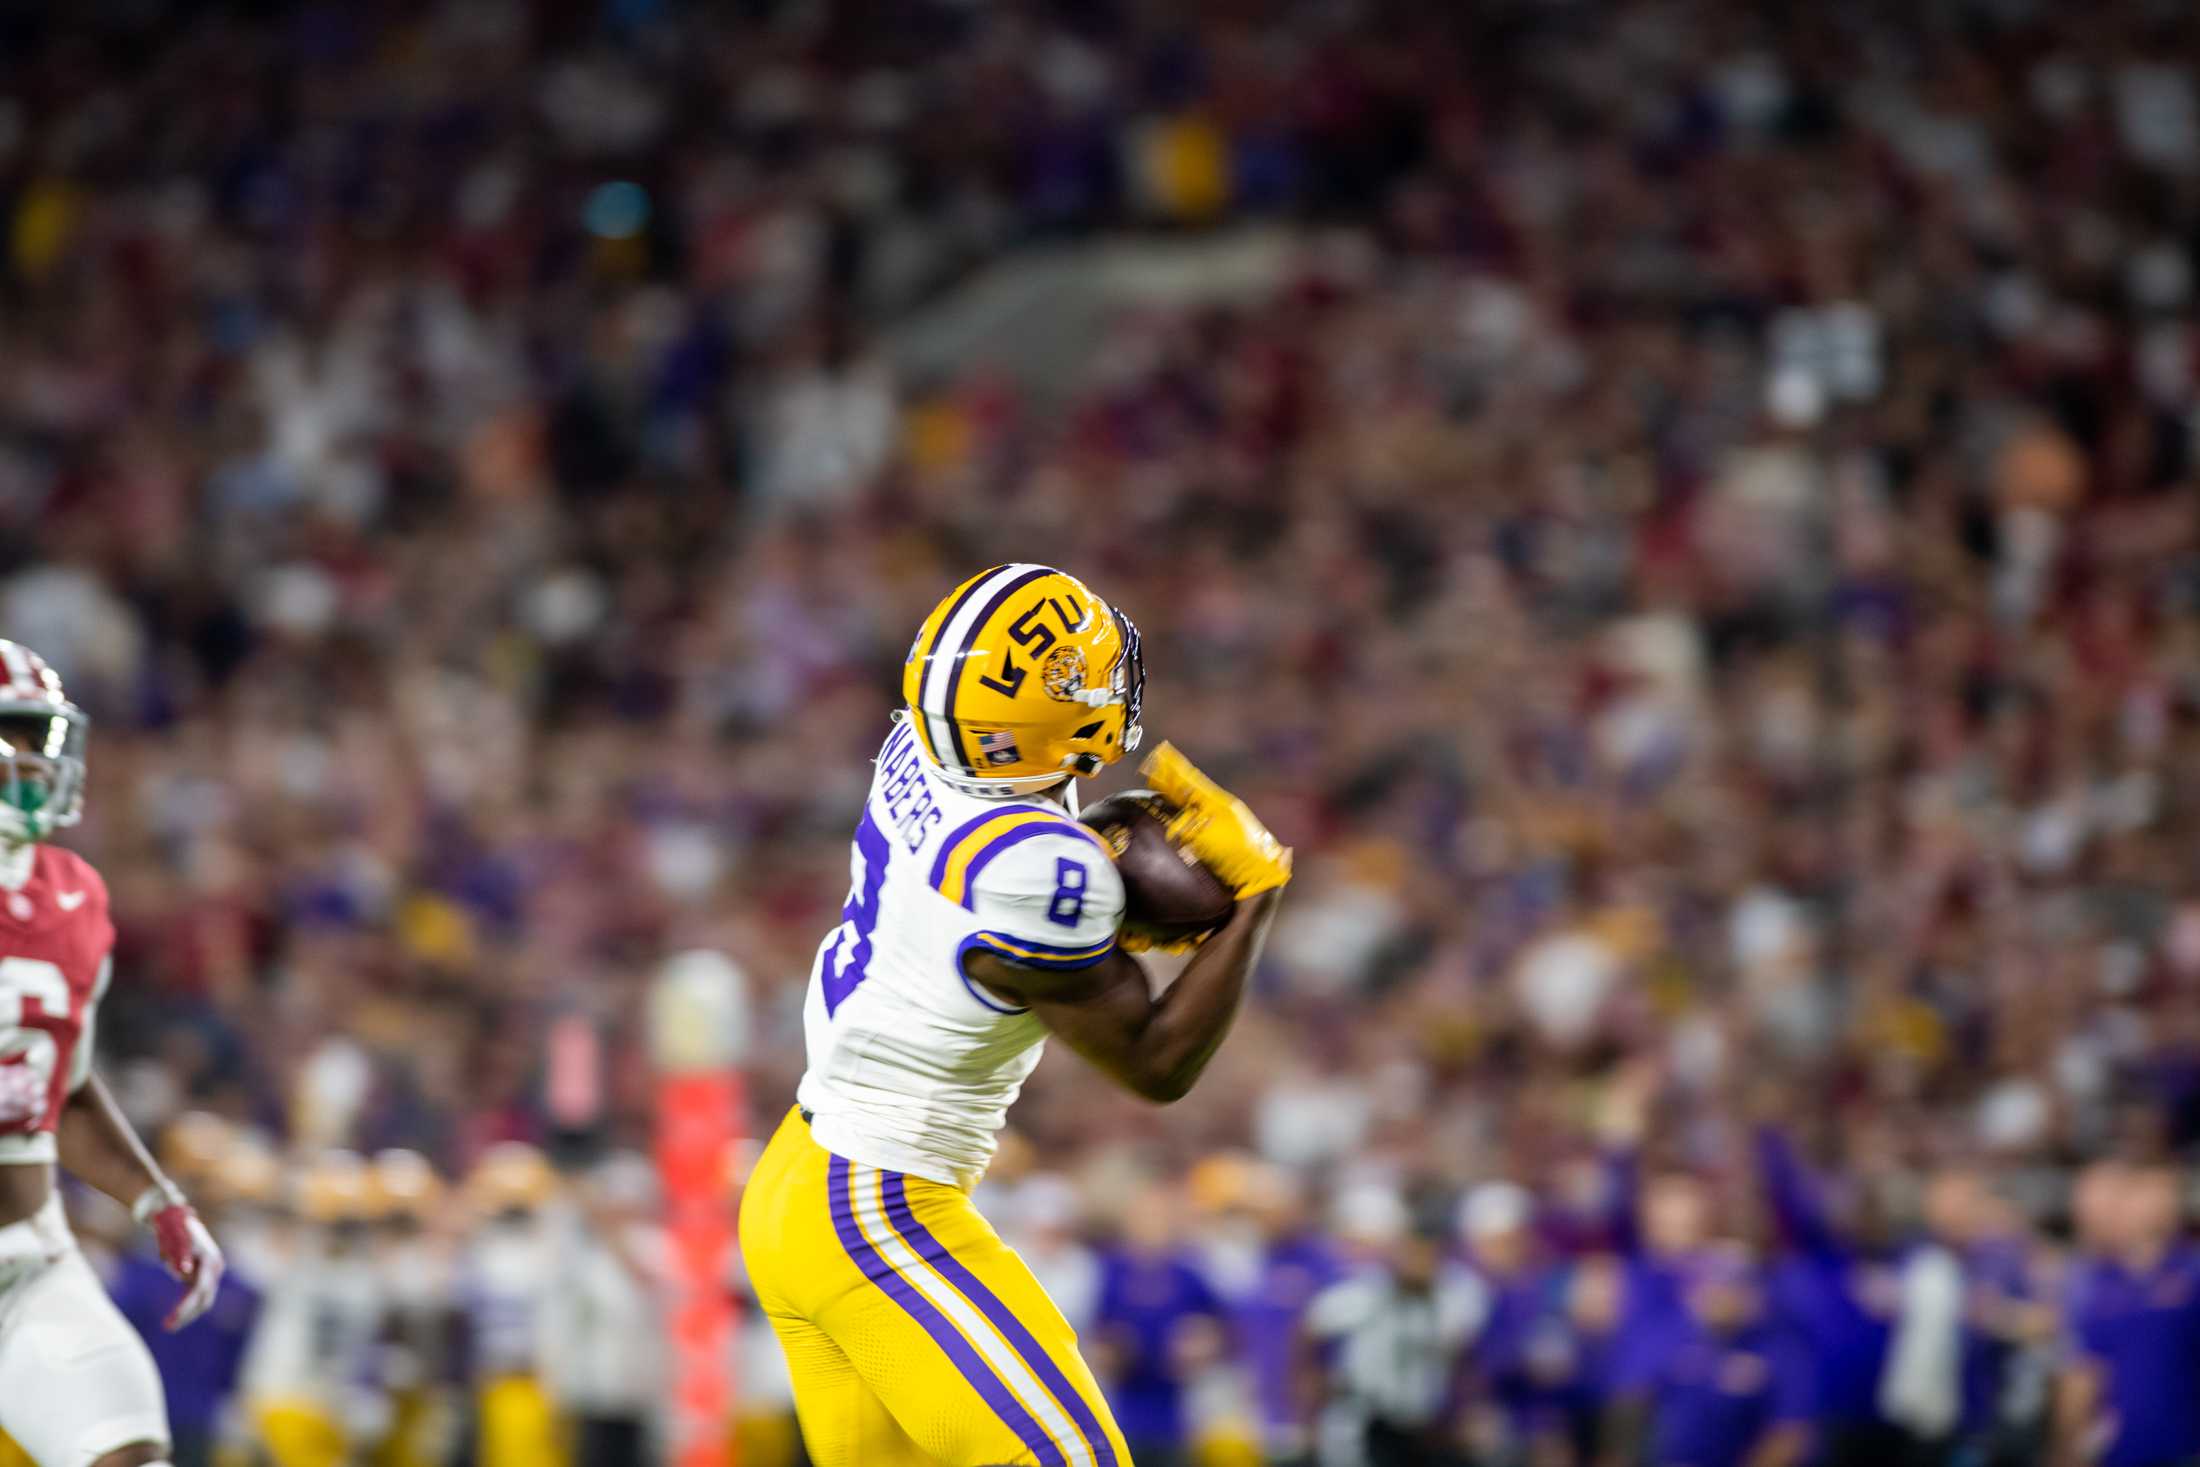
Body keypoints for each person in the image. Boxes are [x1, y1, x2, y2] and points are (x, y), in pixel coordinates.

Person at [739, 564, 1292, 1467]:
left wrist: (1112, 848)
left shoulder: (925, 745)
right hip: (879, 1208)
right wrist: (1258, 891)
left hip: (797, 1178)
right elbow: (1158, 1064)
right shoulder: (1036, 872)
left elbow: (1033, 853)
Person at [0, 640, 226, 1467]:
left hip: (23, 1266)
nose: (29, 764)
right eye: (9, 739)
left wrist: (155, 1199)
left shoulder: (71, 896)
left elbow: (66, 1085)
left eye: (38, 742)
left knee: (126, 1453)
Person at [2055, 1163, 2200, 1467]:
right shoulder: (2094, 1281)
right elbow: (2083, 1372)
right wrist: (2067, 1448)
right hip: (2118, 1451)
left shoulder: (2191, 1270)